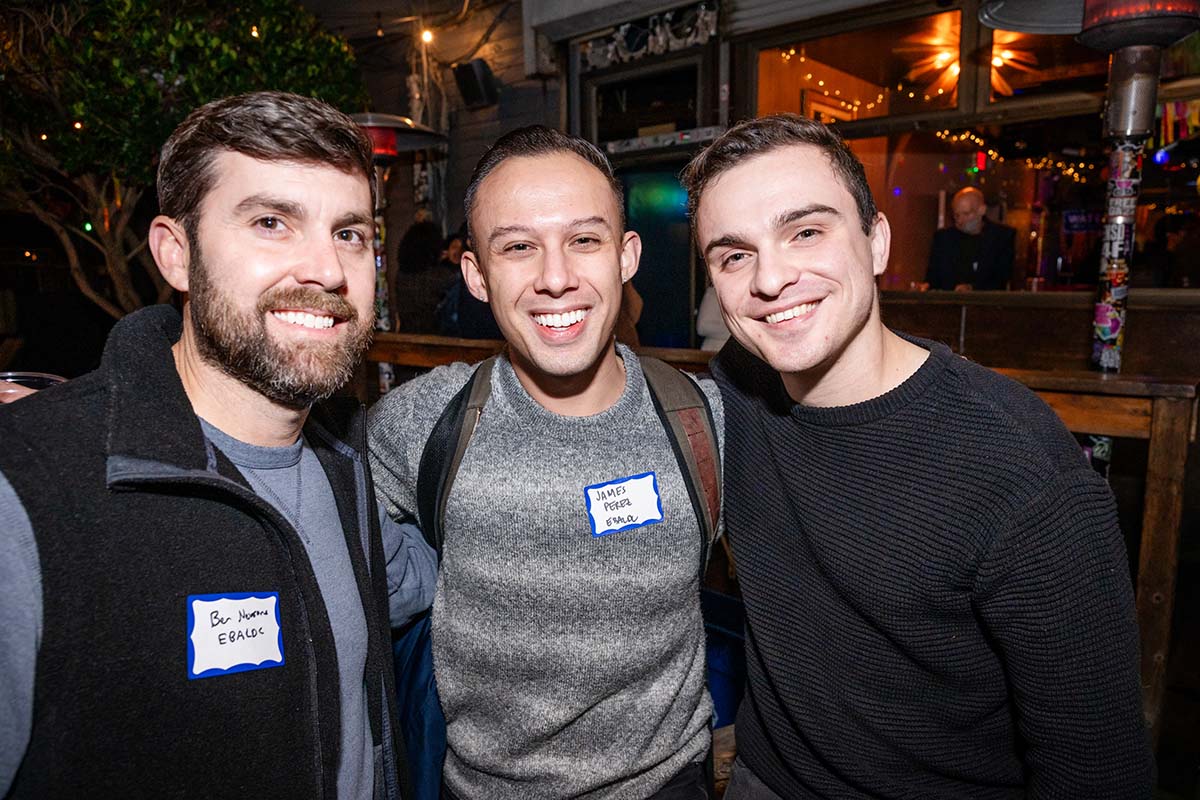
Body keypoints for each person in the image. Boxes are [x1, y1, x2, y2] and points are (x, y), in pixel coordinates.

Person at [681, 113, 1151, 799]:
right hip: (762, 778)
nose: (771, 278)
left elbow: (1098, 767)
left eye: (805, 231)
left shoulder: (1019, 468)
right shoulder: (732, 393)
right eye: (734, 255)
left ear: (876, 243)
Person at [0, 91, 437, 799]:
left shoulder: (344, 466)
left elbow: (416, 581)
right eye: (272, 223)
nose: (326, 270)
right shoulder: (34, 490)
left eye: (350, 233)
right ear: (177, 253)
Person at [369, 125, 722, 800]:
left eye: (584, 241)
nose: (555, 278)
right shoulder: (422, 423)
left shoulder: (700, 419)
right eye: (519, 247)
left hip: (670, 785)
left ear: (626, 255)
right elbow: (329, 542)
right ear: (475, 274)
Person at [925, 186, 1015, 291]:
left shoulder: (1002, 238)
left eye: (966, 214)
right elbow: (932, 278)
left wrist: (973, 288)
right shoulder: (943, 239)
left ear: (982, 210)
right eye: (957, 215)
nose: (960, 220)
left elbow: (1002, 277)